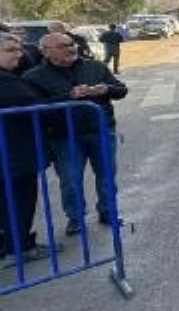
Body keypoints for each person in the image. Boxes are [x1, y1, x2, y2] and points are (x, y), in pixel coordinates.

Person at [24, 32, 128, 234]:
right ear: (45, 52)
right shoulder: (33, 77)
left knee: (107, 175)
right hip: (64, 136)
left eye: (71, 44)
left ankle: (108, 211)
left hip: (101, 130)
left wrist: (106, 89)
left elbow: (121, 90)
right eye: (62, 46)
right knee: (71, 180)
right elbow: (34, 106)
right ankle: (76, 218)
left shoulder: (94, 66)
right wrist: (68, 96)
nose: (70, 48)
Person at [0, 32, 53, 261]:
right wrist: (68, 97)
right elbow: (33, 104)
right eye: (10, 50)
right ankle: (20, 247)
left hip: (12, 153)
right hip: (13, 155)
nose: (19, 54)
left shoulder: (11, 76)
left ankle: (11, 244)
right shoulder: (6, 82)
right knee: (19, 200)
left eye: (19, 49)